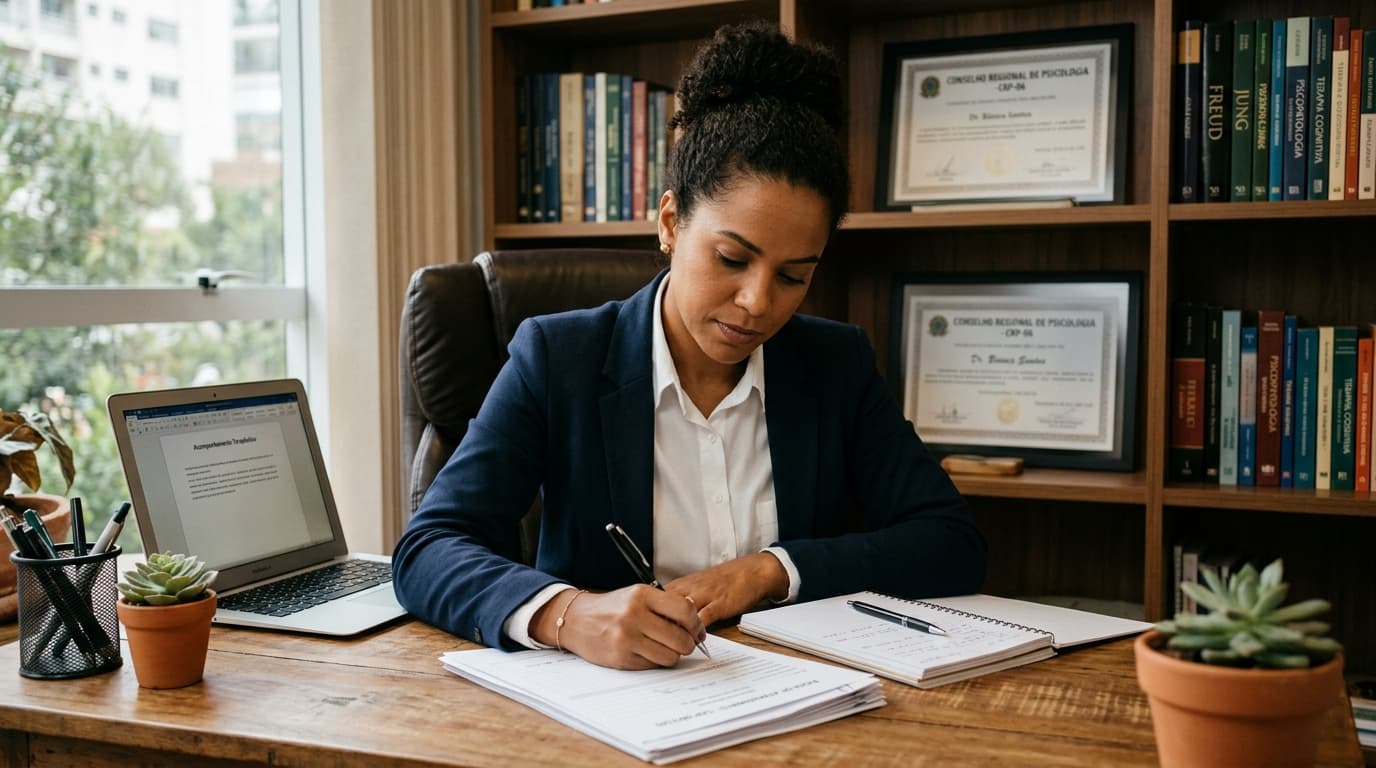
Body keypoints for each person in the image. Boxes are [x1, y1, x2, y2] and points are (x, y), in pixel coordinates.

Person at [393, 22, 986, 670]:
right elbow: (428, 549)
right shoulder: (557, 360)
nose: (759, 302)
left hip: (797, 706)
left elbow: (950, 542)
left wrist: (768, 571)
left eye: (794, 275)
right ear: (671, 222)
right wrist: (566, 615)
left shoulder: (834, 366)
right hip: (609, 709)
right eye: (732, 258)